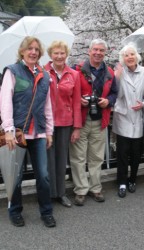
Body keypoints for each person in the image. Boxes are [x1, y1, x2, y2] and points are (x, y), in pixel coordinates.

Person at [0, 36, 56, 227]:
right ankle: (14, 210)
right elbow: (5, 102)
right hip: (16, 133)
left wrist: (49, 131)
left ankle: (46, 211)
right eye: (29, 48)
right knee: (15, 175)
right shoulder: (12, 71)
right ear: (22, 51)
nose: (33, 52)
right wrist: (8, 129)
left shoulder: (45, 75)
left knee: (43, 174)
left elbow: (47, 105)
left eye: (36, 49)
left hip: (38, 133)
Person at [69, 39, 117, 205]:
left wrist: (108, 101)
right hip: (81, 119)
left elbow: (115, 93)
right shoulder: (77, 70)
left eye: (101, 50)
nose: (98, 53)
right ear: (89, 51)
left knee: (97, 157)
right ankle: (80, 189)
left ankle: (95, 188)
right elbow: (70, 92)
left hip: (100, 119)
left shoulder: (109, 72)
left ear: (105, 52)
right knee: (78, 157)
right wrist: (79, 100)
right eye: (95, 50)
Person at [44, 41, 82, 208]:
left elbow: (76, 103)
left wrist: (77, 127)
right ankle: (48, 193)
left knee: (61, 160)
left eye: (62, 53)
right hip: (46, 123)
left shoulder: (73, 74)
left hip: (66, 122)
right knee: (47, 160)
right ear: (50, 55)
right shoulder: (43, 72)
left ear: (66, 55)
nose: (59, 56)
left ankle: (60, 193)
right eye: (56, 53)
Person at [112, 44, 144, 198]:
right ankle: (121, 182)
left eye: (132, 54)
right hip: (123, 117)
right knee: (122, 154)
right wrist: (117, 77)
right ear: (123, 58)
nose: (129, 57)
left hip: (139, 117)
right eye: (126, 55)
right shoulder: (119, 72)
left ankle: (132, 179)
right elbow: (117, 95)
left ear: (137, 56)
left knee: (136, 153)